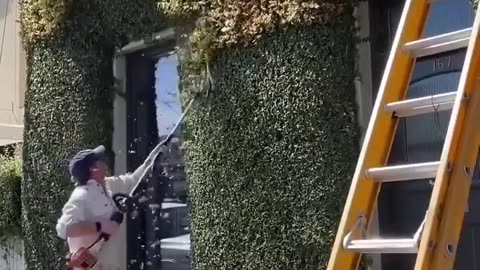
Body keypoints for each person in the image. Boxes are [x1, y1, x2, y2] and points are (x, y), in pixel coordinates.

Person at [56, 145, 159, 270]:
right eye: (100, 160)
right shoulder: (82, 195)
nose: (105, 162)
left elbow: (134, 180)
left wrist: (155, 155)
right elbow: (64, 228)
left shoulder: (108, 185)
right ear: (93, 168)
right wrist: (99, 226)